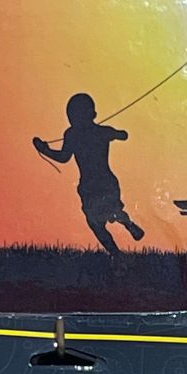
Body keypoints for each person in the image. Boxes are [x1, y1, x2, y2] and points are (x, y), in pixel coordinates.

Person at [33, 93, 144, 255]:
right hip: (102, 183)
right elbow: (123, 135)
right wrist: (116, 133)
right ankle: (127, 228)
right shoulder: (98, 132)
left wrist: (45, 150)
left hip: (91, 185)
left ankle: (117, 252)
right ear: (93, 114)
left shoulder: (74, 134)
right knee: (110, 211)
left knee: (97, 222)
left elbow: (63, 157)